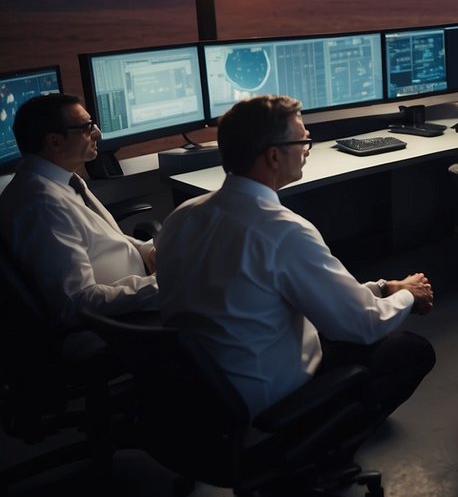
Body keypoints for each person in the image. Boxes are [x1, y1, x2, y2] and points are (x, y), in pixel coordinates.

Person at [156, 95, 435, 420]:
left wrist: (384, 287)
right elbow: (362, 324)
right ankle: (317, 448)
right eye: (303, 139)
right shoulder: (281, 231)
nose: (308, 148)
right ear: (274, 156)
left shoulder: (182, 217)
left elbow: (323, 297)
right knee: (411, 351)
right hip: (265, 397)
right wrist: (408, 295)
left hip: (200, 395)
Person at [0, 93, 158, 325]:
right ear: (55, 141)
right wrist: (161, 285)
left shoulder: (60, 179)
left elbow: (102, 240)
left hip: (134, 299)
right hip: (120, 329)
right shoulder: (43, 206)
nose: (98, 133)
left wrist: (147, 251)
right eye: (87, 127)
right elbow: (77, 303)